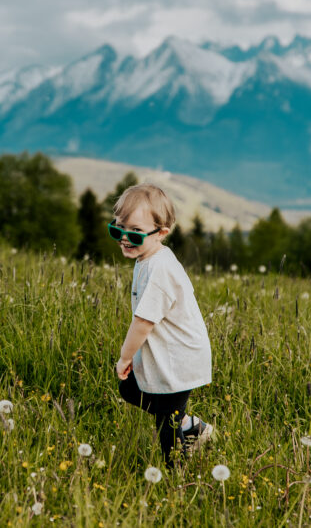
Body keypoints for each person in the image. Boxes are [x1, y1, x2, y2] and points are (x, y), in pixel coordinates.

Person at [111, 184, 214, 467]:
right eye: (117, 229)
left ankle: (174, 477)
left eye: (133, 233)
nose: (124, 238)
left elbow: (143, 323)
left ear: (161, 233)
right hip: (168, 354)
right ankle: (191, 426)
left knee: (167, 425)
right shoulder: (147, 257)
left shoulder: (159, 270)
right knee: (130, 390)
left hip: (180, 358)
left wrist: (125, 357)